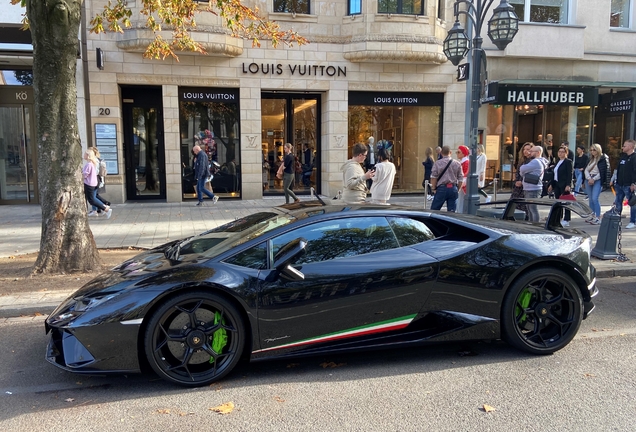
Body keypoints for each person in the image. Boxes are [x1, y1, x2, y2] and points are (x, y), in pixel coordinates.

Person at [610, 139, 636, 229]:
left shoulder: (634, 157)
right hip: (620, 184)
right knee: (618, 201)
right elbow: (618, 169)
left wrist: (634, 183)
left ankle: (633, 221)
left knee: (632, 203)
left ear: (630, 147)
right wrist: (614, 180)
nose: (622, 147)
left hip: (629, 184)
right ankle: (617, 218)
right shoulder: (623, 157)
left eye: (624, 146)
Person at [430, 145, 463, 212]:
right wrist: (458, 189)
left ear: (441, 153)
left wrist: (434, 188)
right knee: (452, 212)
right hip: (453, 188)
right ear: (450, 152)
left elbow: (433, 177)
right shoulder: (457, 163)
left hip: (441, 188)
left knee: (434, 210)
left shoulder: (437, 163)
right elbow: (460, 179)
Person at [519, 146, 548, 222]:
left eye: (532, 151)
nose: (529, 153)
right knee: (530, 209)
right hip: (530, 187)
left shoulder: (536, 161)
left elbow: (522, 169)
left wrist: (523, 171)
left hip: (532, 188)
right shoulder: (538, 161)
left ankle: (535, 225)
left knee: (532, 209)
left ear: (538, 152)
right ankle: (531, 223)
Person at [548, 146, 574, 226]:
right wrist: (551, 184)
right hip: (557, 184)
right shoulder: (557, 161)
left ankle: (567, 219)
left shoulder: (568, 162)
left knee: (565, 202)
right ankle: (559, 217)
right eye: (559, 151)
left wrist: (568, 184)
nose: (560, 153)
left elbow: (569, 174)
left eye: (562, 152)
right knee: (558, 201)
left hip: (564, 184)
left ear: (566, 153)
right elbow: (554, 174)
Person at [83, 150, 112, 219]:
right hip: (94, 183)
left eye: (85, 154)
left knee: (92, 199)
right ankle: (105, 206)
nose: (83, 155)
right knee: (94, 197)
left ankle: (105, 208)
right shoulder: (93, 163)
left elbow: (85, 174)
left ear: (88, 156)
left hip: (89, 184)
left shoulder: (89, 164)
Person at [584, 144, 608, 225]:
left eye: (594, 150)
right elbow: (586, 169)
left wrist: (593, 179)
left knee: (595, 198)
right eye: (591, 150)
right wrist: (588, 178)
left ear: (598, 150)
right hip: (589, 178)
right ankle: (592, 215)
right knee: (590, 199)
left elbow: (602, 172)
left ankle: (598, 217)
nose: (592, 152)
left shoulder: (602, 159)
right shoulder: (590, 159)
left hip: (597, 179)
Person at [510, 143, 533, 217]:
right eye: (524, 149)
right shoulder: (522, 160)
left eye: (528, 149)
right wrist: (516, 180)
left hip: (526, 186)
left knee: (524, 205)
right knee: (513, 203)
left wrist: (522, 182)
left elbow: (531, 174)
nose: (525, 151)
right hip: (518, 186)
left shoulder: (533, 161)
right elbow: (518, 172)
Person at [456, 145, 470, 213]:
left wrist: (460, 182)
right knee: (460, 200)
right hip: (461, 183)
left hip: (463, 184)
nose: (457, 154)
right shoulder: (462, 162)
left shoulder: (466, 162)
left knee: (461, 200)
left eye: (458, 152)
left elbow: (465, 174)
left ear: (463, 153)